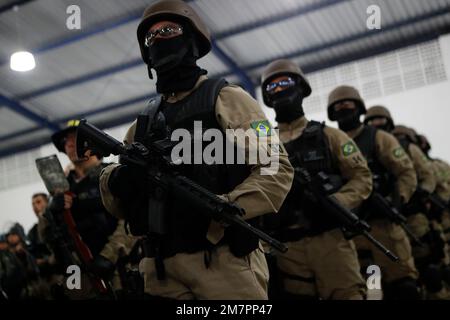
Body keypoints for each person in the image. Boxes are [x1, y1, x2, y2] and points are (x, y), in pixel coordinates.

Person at [99, 0, 294, 300]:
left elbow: (275, 168)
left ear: (192, 37)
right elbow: (117, 198)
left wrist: (227, 207)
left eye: (168, 30)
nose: (159, 39)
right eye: (151, 37)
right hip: (161, 271)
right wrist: (115, 180)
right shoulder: (143, 123)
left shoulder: (228, 98)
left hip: (223, 263)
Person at [259, 59, 371, 300]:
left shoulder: (329, 135)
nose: (279, 90)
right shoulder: (262, 145)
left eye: (285, 82)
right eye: (272, 87)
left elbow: (361, 177)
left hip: (329, 241)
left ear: (300, 87)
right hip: (286, 248)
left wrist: (336, 202)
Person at [327, 86, 420, 299]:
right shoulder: (331, 140)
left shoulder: (379, 138)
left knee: (403, 288)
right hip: (352, 230)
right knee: (372, 292)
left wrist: (397, 201)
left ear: (359, 108)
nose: (343, 108)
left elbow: (406, 173)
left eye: (348, 104)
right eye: (338, 106)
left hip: (384, 227)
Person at [42, 119, 136, 299]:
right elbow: (47, 235)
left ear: (92, 143)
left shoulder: (112, 174)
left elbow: (131, 222)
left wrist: (108, 256)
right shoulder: (60, 187)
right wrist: (51, 211)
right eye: (66, 141)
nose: (69, 143)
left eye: (75, 138)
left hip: (116, 270)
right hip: (76, 274)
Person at [364, 106, 450, 299]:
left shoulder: (404, 148)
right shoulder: (364, 147)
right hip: (379, 222)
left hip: (412, 218)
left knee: (429, 271)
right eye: (372, 121)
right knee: (378, 284)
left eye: (380, 120)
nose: (377, 124)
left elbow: (427, 178)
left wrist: (416, 196)